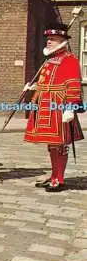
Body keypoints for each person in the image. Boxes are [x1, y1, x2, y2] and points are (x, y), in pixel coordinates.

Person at [24, 22, 84, 192]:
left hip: (59, 105)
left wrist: (71, 107)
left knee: (60, 144)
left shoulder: (69, 59)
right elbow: (47, 81)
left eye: (53, 39)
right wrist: (34, 86)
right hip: (45, 104)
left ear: (62, 41)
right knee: (51, 144)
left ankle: (60, 178)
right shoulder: (50, 59)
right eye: (48, 39)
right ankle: (53, 174)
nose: (48, 42)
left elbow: (73, 84)